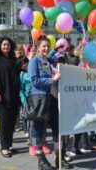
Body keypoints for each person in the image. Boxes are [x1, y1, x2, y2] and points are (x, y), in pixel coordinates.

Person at [28, 36, 60, 170]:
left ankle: (56, 159)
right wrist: (52, 80)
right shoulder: (34, 61)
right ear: (39, 47)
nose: (46, 48)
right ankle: (42, 160)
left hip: (50, 98)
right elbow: (34, 80)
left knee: (53, 128)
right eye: (44, 46)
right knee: (38, 129)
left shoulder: (50, 62)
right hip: (38, 99)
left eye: (48, 46)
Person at [0, 37, 20, 158]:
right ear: (0, 46)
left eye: (8, 45)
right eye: (4, 45)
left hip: (13, 94)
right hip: (1, 95)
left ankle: (9, 144)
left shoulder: (13, 59)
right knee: (4, 120)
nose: (6, 47)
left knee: (12, 121)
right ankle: (4, 147)